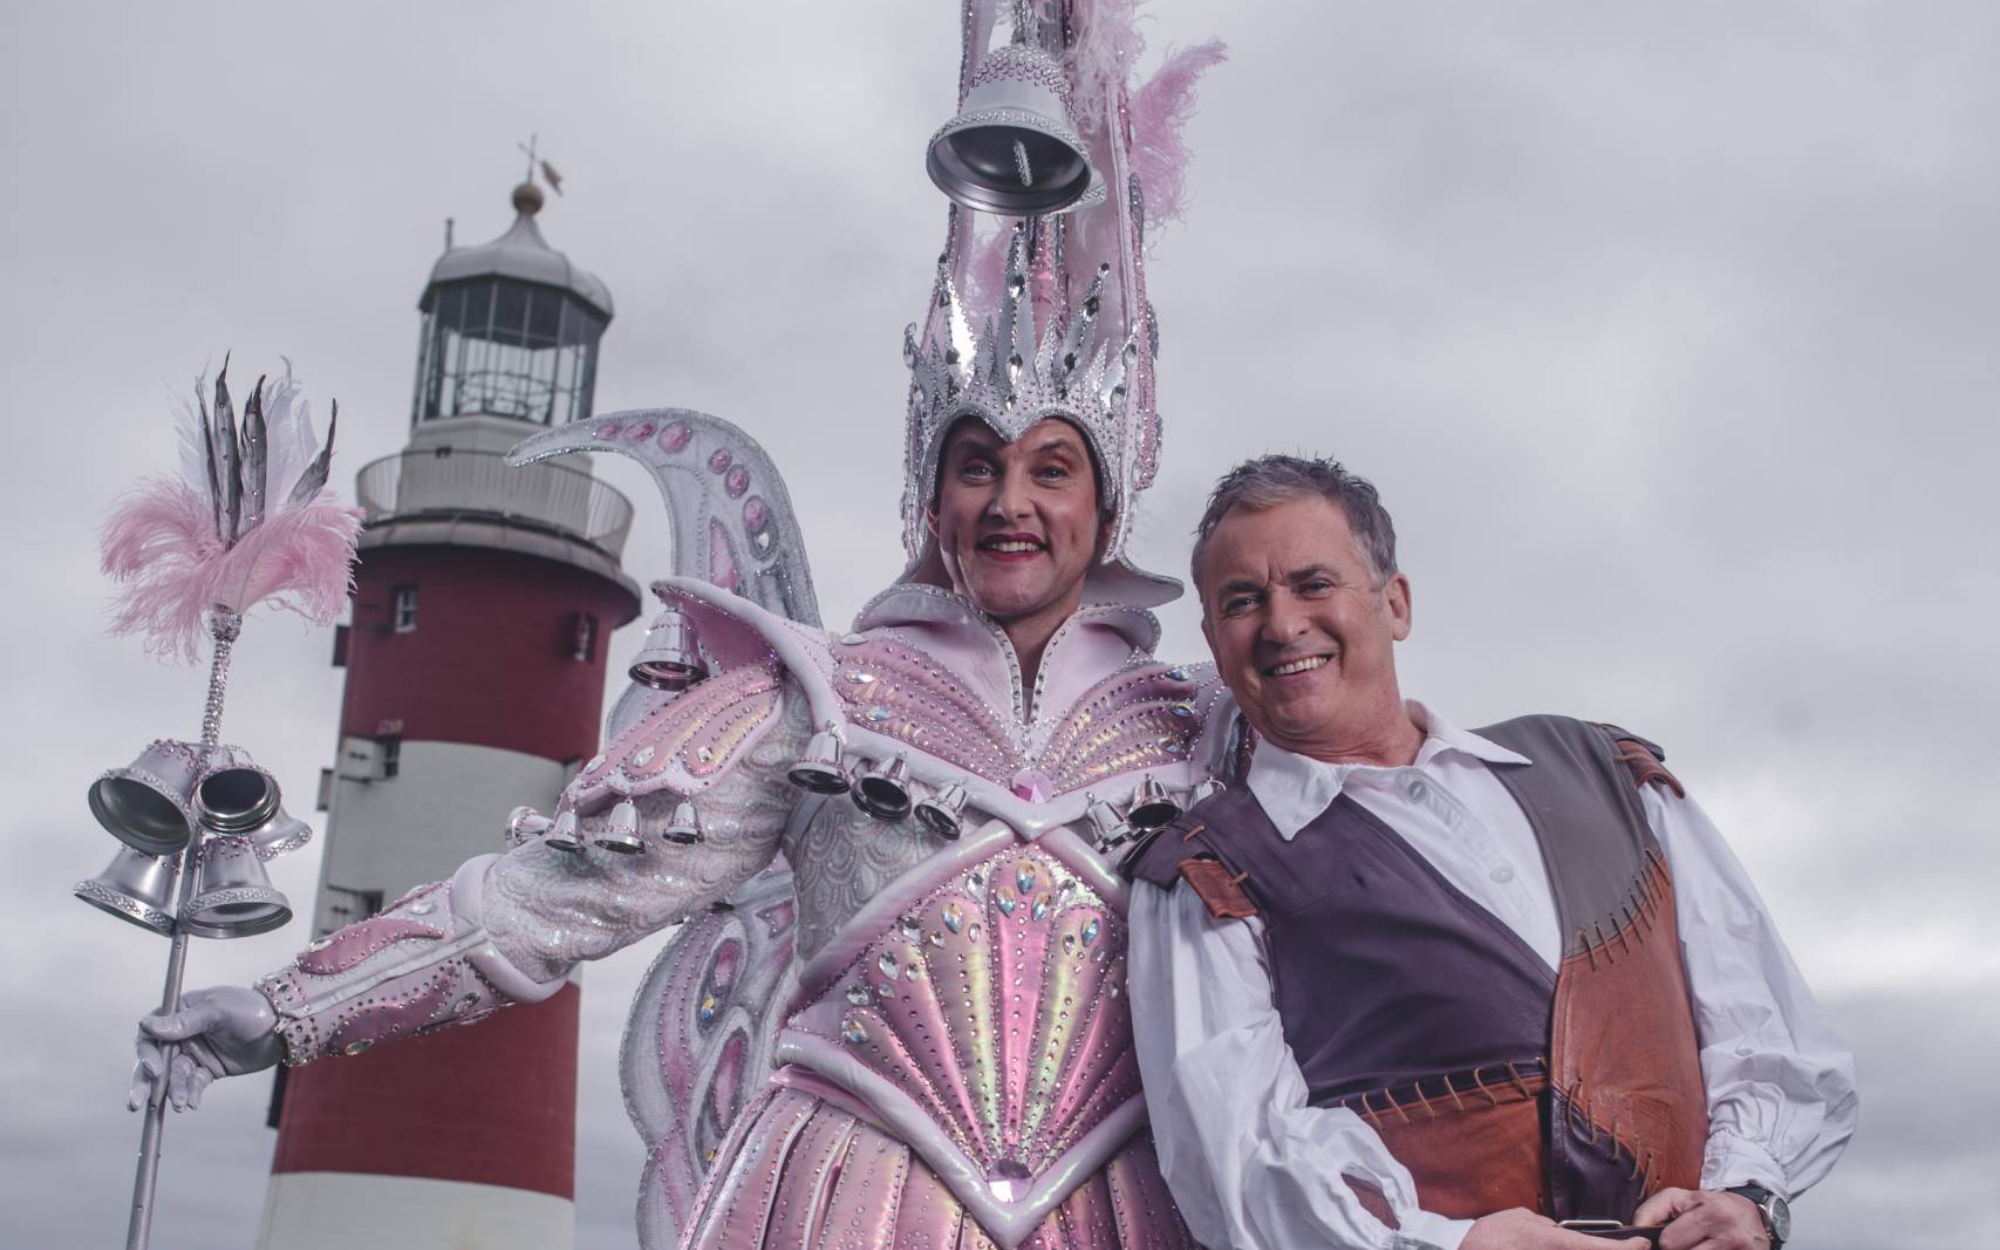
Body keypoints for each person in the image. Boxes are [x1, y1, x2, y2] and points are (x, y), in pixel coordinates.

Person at [132, 8, 1234, 1245]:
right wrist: (289, 1011)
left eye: (1050, 470)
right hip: (850, 1203)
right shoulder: (822, 700)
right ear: (932, 495)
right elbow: (543, 901)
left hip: (1122, 1209)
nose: (1010, 502)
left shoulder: (1196, 726)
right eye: (976, 465)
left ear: (1106, 503)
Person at [1126, 455, 1856, 1250]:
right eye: (1243, 601)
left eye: (1313, 584)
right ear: (1212, 639)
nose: (1282, 624)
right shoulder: (1203, 871)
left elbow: (1765, 1029)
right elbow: (1236, 1164)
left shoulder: (1603, 771)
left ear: (1395, 603)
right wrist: (1454, 1246)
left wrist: (1748, 1194)